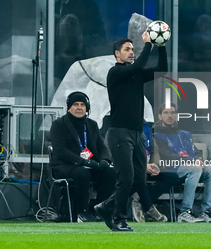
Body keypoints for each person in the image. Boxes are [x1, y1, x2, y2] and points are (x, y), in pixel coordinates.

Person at [94, 30, 168, 231]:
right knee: (126, 178)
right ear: (117, 54)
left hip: (137, 133)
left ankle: (107, 206)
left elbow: (163, 68)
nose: (131, 52)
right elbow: (139, 65)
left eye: (133, 49)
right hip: (119, 133)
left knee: (138, 179)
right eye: (127, 49)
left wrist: (160, 44)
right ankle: (119, 219)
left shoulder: (135, 74)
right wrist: (148, 44)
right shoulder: (116, 73)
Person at [50, 91, 116, 222]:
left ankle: (98, 209)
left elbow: (101, 146)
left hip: (89, 165)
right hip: (65, 165)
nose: (79, 107)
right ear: (69, 107)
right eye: (75, 104)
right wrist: (82, 162)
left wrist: (104, 160)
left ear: (87, 108)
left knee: (110, 173)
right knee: (82, 174)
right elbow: (60, 150)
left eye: (82, 105)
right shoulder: (59, 124)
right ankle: (82, 211)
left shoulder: (91, 124)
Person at [153, 102, 211, 223]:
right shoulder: (156, 135)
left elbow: (196, 151)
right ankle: (184, 212)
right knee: (195, 168)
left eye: (173, 112)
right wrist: (193, 161)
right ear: (160, 116)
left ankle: (206, 211)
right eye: (166, 113)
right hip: (172, 169)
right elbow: (167, 155)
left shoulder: (185, 134)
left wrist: (199, 159)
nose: (170, 116)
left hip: (192, 167)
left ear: (176, 115)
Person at [131, 123, 179, 222]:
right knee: (141, 176)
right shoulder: (125, 129)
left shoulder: (146, 128)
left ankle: (140, 203)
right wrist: (143, 166)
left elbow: (154, 149)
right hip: (134, 168)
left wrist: (155, 164)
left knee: (172, 176)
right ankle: (149, 208)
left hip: (149, 166)